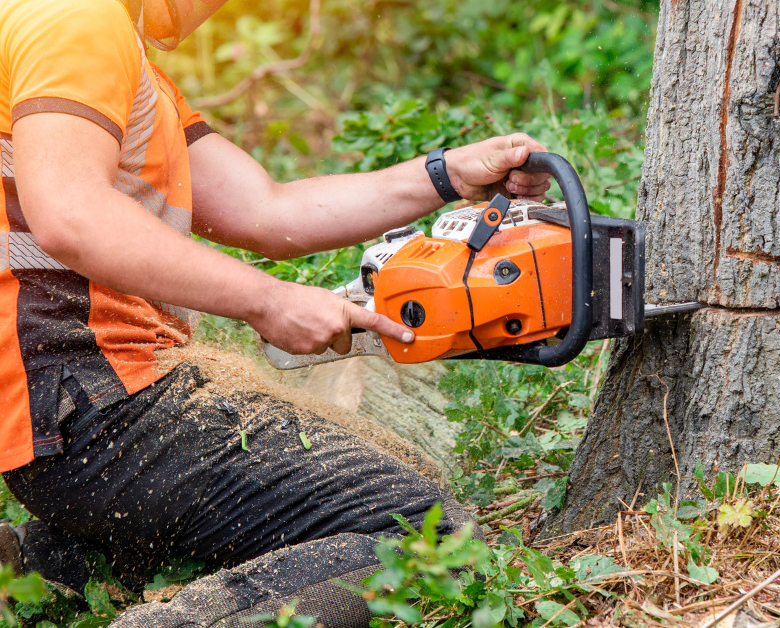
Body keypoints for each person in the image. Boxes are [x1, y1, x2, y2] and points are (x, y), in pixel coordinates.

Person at [0, 0, 552, 624]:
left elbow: (267, 210)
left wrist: (447, 174)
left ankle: (52, 568)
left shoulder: (116, 50)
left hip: (78, 406)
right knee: (429, 538)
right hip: (90, 402)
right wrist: (270, 301)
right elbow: (70, 213)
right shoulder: (75, 19)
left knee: (384, 481)